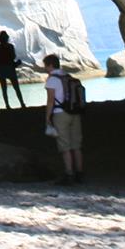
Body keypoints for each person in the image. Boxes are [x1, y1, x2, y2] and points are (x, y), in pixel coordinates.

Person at [43, 53, 83, 185]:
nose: (45, 68)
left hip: (60, 114)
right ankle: (79, 173)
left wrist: (48, 117)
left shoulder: (52, 80)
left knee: (65, 146)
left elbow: (50, 101)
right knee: (76, 145)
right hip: (75, 112)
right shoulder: (68, 76)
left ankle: (69, 174)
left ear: (50, 65)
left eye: (46, 66)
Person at [0, 29, 26, 109]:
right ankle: (22, 103)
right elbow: (13, 56)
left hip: (1, 68)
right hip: (10, 68)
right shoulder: (10, 46)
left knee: (4, 89)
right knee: (16, 88)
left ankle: (7, 105)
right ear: (7, 38)